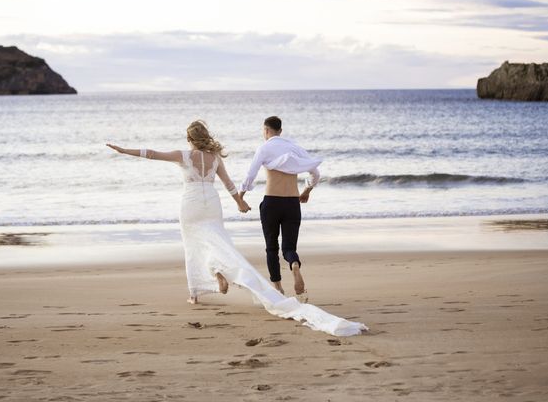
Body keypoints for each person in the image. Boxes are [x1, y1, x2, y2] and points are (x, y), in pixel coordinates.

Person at [106, 120, 367, 337]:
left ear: (190, 138)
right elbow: (229, 183)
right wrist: (239, 201)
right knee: (218, 241)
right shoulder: (215, 157)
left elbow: (152, 154)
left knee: (195, 245)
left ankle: (198, 291)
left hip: (191, 204)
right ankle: (219, 270)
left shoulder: (184, 156)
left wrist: (123, 150)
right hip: (213, 204)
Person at [239, 116, 321, 302]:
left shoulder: (264, 148)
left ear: (266, 130)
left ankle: (278, 289)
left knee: (271, 248)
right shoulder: (295, 147)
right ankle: (294, 264)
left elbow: (250, 174)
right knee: (289, 247)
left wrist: (241, 195)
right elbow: (315, 172)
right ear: (280, 131)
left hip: (272, 203)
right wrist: (307, 190)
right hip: (292, 202)